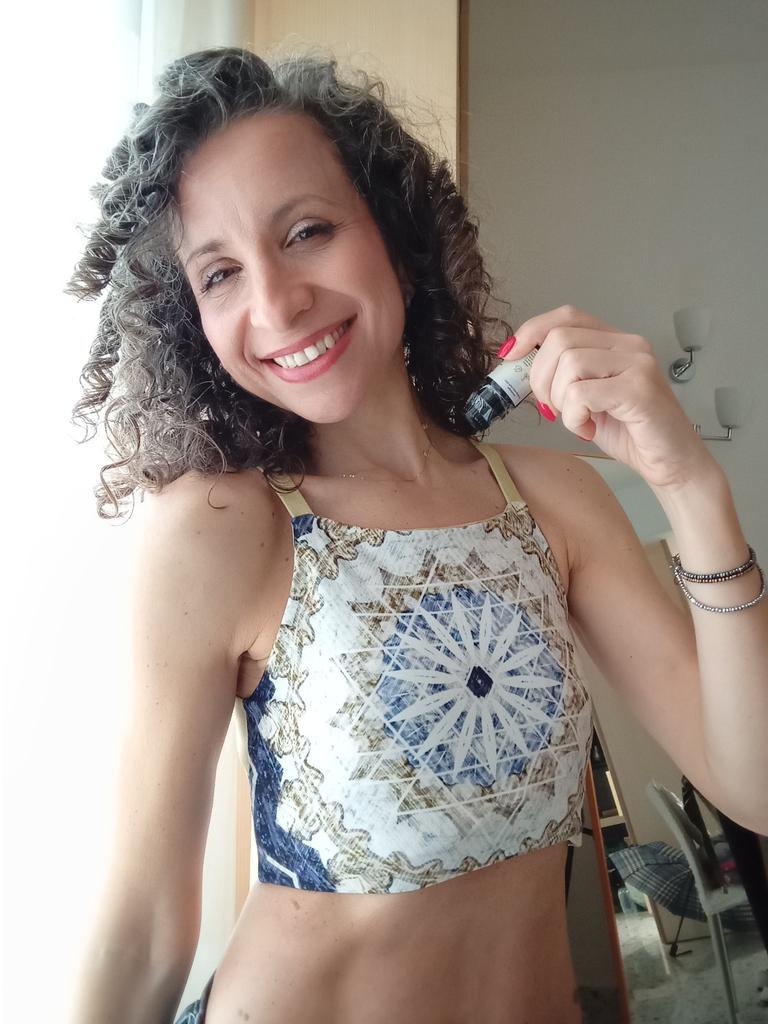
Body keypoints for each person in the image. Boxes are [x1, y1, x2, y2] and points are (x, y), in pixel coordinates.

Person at [65, 46, 767, 1024]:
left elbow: (753, 784)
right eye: (219, 273)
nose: (275, 302)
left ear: (394, 232)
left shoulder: (555, 502)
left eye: (306, 231)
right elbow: (142, 928)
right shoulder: (222, 527)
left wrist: (691, 485)